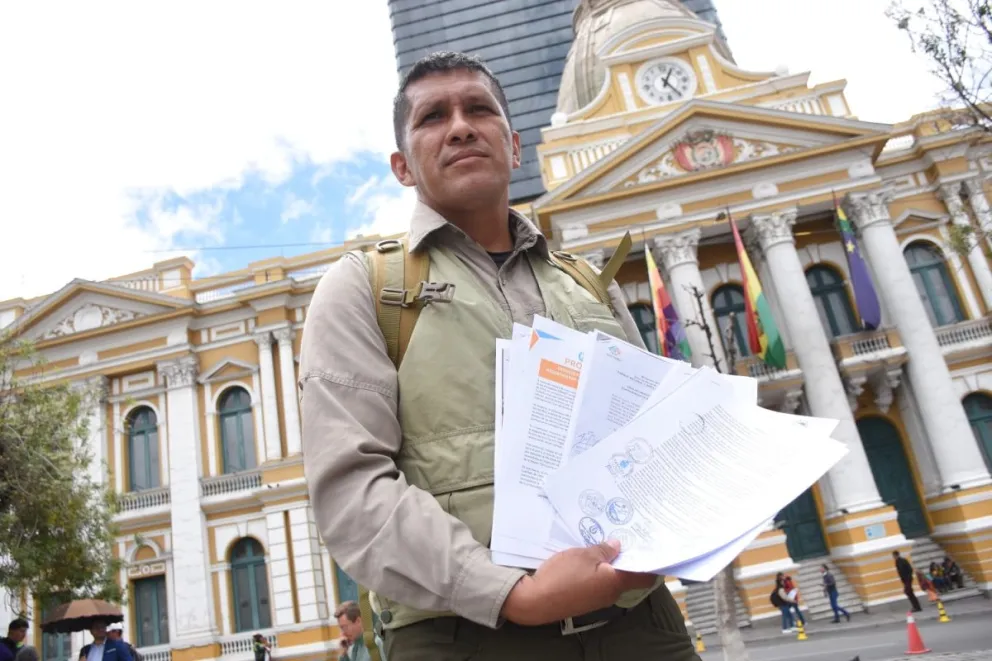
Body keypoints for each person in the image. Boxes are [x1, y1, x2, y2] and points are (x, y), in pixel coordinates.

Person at [300, 51, 696, 661]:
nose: (460, 125)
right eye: (434, 116)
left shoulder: (590, 283)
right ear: (403, 167)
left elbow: (648, 442)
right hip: (462, 638)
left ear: (512, 146)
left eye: (478, 109)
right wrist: (514, 593)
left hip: (642, 628)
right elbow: (352, 491)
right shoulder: (364, 288)